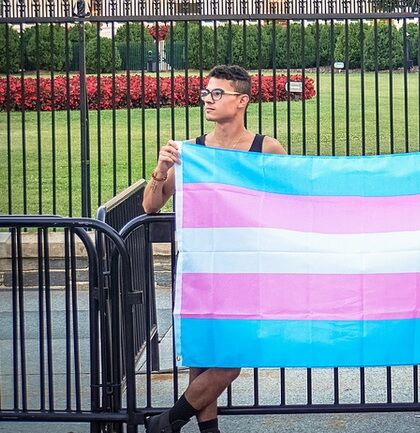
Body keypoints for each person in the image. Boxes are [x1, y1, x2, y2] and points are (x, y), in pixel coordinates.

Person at [143, 64, 286, 433]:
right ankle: (208, 430)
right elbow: (150, 206)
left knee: (232, 359)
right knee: (202, 354)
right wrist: (161, 169)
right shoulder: (193, 152)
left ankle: (168, 420)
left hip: (246, 268)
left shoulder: (266, 149)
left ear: (242, 101)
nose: (207, 99)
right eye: (206, 93)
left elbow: (291, 200)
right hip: (201, 267)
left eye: (217, 93)